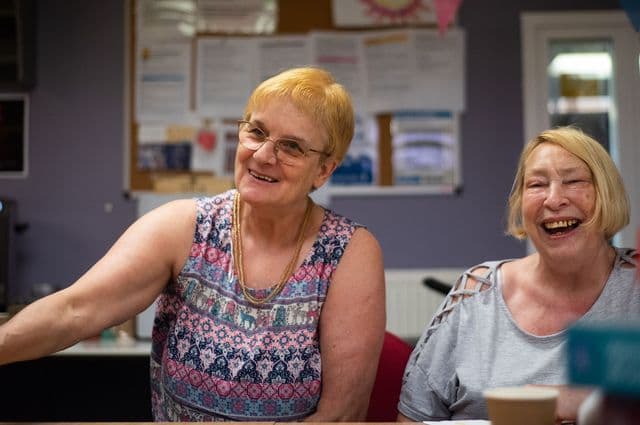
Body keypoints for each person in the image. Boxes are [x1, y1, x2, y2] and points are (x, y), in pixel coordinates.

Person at [0, 67, 386, 421]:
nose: (264, 155)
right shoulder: (185, 227)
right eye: (257, 131)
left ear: (323, 169)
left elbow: (341, 416)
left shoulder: (349, 252)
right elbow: (74, 310)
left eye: (292, 147)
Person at [398, 126, 638, 423]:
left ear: (607, 194)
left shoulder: (636, 285)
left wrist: (588, 400)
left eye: (574, 181)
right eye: (536, 185)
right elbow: (412, 418)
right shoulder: (475, 291)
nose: (553, 199)